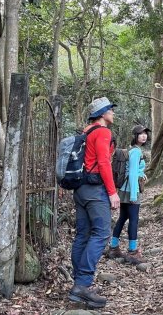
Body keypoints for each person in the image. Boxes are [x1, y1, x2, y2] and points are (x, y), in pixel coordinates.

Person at [69, 97, 120, 309]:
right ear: (102, 113)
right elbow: (103, 163)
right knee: (101, 233)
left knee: (83, 233)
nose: (113, 114)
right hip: (94, 190)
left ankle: (79, 283)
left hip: (80, 189)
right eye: (110, 110)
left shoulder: (86, 131)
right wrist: (112, 192)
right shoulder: (102, 132)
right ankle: (83, 284)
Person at [107, 125, 150, 264]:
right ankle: (132, 251)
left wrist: (141, 174)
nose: (144, 136)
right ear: (135, 136)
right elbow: (131, 173)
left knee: (123, 218)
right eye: (140, 134)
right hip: (131, 190)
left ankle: (114, 247)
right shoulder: (136, 152)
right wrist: (133, 195)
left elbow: (134, 171)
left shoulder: (133, 150)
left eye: (145, 134)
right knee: (134, 220)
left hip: (125, 190)